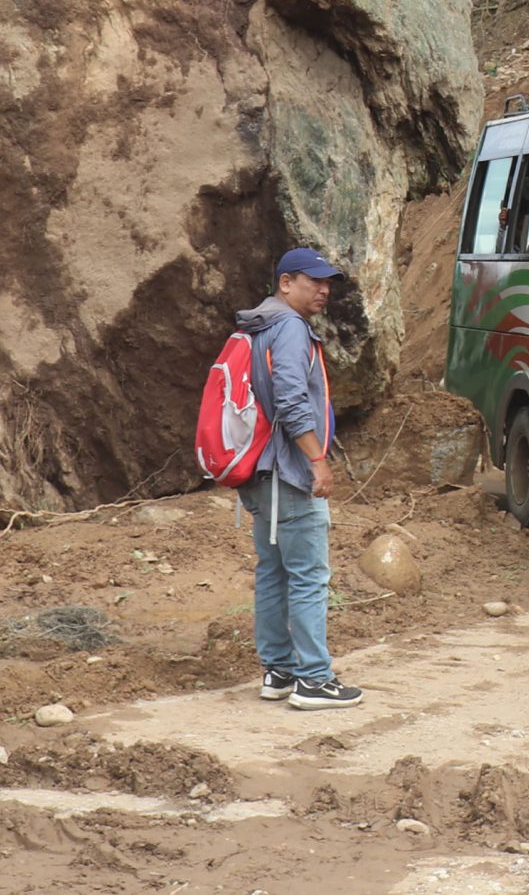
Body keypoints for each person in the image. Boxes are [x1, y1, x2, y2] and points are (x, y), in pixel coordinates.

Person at [234, 248, 362, 711]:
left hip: (260, 471)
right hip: (288, 471)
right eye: (313, 280)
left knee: (273, 571)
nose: (324, 289)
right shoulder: (288, 328)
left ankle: (279, 671)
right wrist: (317, 459)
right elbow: (290, 398)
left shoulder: (258, 325)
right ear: (286, 283)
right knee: (308, 575)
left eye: (328, 282)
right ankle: (313, 679)